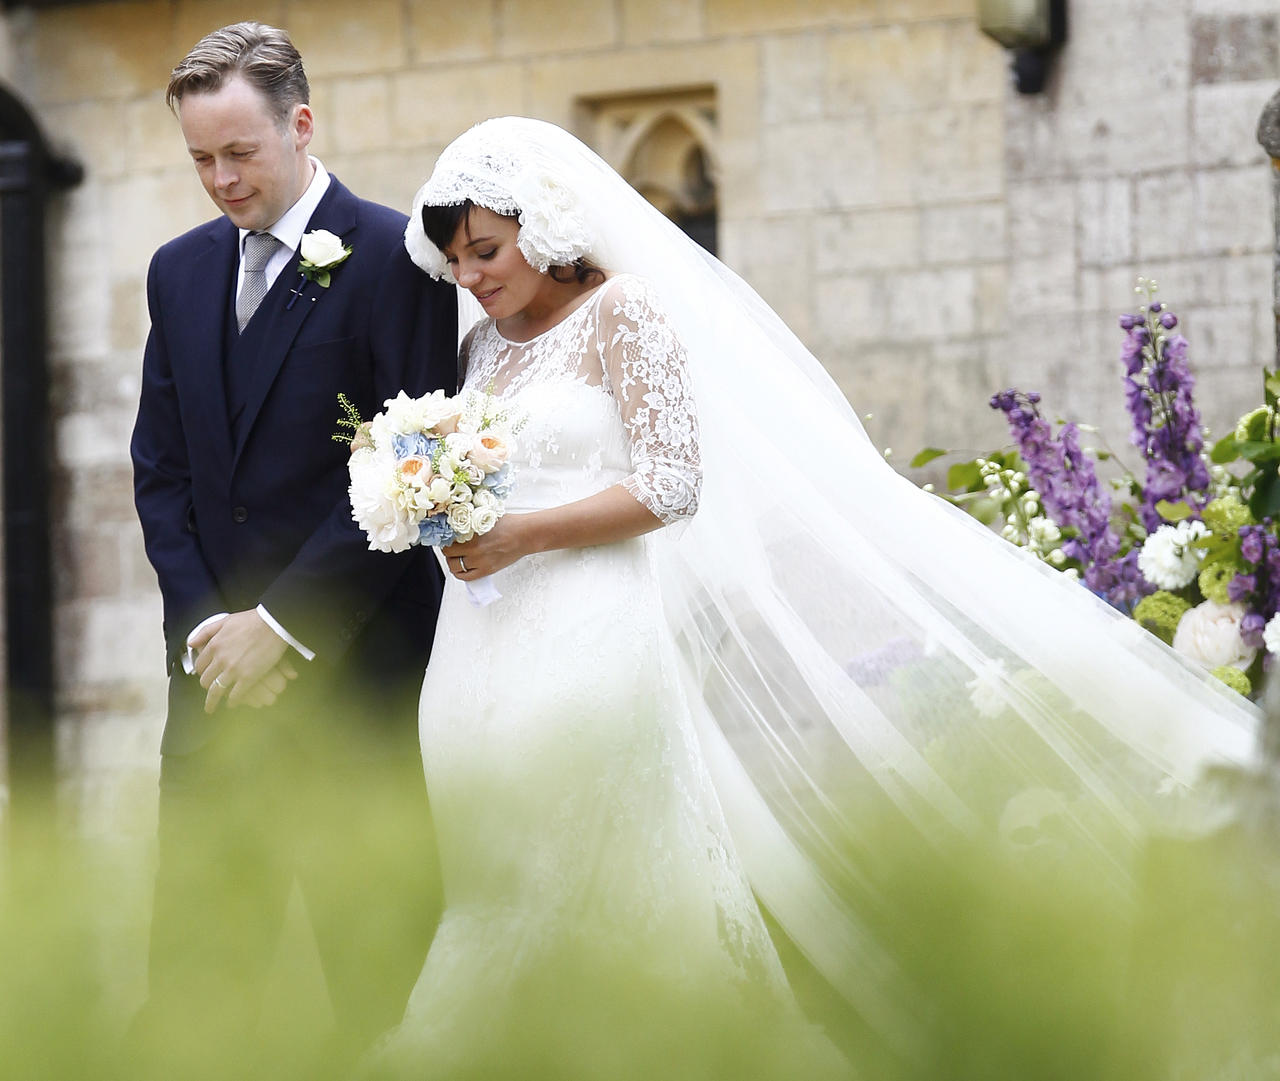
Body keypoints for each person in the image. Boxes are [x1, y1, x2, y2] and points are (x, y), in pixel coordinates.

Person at [361, 118, 1261, 1078]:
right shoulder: (480, 352)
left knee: (582, 866)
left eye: (486, 251)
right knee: (489, 873)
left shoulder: (624, 312)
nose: (471, 275)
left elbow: (671, 485)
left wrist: (520, 537)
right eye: (455, 259)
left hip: (588, 628)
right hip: (478, 644)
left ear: (540, 228)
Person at [128, 22, 456, 1075]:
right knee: (195, 1001)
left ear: (300, 125)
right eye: (199, 160)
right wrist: (211, 632)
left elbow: (407, 477)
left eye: (239, 154)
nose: (219, 180)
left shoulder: (393, 260)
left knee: (380, 994)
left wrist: (280, 627)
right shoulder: (176, 274)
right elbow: (162, 473)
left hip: (354, 695)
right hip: (214, 698)